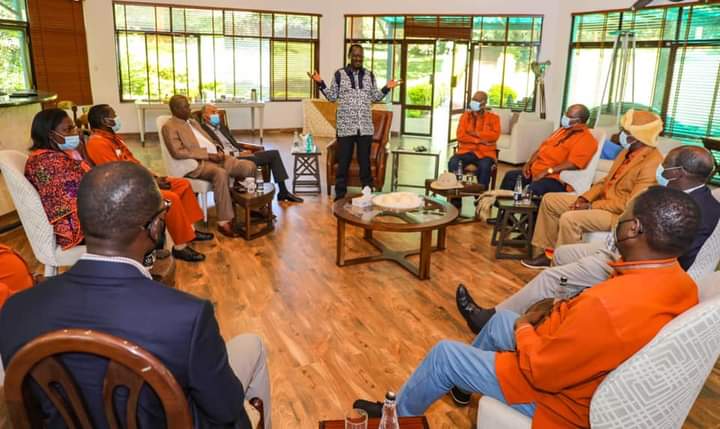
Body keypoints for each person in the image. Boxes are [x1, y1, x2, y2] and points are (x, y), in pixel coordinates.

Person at [355, 186, 700, 428]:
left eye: (621, 218)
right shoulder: (682, 283)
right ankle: (461, 387)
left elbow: (544, 372)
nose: (616, 224)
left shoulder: (606, 305)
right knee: (500, 319)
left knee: (446, 353)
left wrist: (526, 328)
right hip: (580, 368)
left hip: (562, 401)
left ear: (633, 229)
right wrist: (557, 313)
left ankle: (395, 419)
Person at [0, 162, 271, 428]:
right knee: (252, 346)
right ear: (155, 227)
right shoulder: (188, 317)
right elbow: (223, 409)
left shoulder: (16, 309)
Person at [457, 145, 720, 334]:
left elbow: (679, 259)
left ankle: (490, 319)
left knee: (549, 278)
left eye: (666, 167)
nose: (661, 170)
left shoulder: (697, 211)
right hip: (620, 247)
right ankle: (553, 315)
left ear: (679, 173)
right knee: (561, 255)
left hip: (633, 264)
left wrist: (621, 249)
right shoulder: (679, 192)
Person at [522, 109, 663, 269]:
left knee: (571, 218)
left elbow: (630, 205)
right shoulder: (627, 152)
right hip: (602, 201)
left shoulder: (652, 163)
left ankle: (563, 266)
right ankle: (546, 254)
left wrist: (590, 206)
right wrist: (585, 198)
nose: (620, 134)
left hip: (618, 214)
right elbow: (605, 181)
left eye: (625, 131)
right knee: (550, 200)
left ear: (637, 136)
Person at [85, 104, 212, 262]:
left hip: (138, 180)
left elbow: (134, 162)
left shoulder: (113, 138)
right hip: (124, 191)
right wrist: (151, 183)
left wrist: (154, 176)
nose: (117, 118)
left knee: (182, 184)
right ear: (105, 121)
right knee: (170, 198)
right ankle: (180, 247)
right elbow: (118, 175)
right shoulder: (97, 143)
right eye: (114, 115)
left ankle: (190, 230)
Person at [308, 44, 401, 200]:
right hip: (345, 126)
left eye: (361, 56)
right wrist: (319, 82)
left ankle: (367, 191)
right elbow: (331, 97)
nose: (358, 58)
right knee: (343, 160)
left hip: (364, 126)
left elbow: (375, 97)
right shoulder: (339, 74)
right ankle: (340, 194)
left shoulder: (369, 75)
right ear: (350, 56)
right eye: (355, 55)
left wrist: (387, 87)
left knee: (364, 161)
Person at [161, 95, 256, 238]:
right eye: (186, 106)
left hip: (217, 157)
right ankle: (224, 222)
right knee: (220, 174)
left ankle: (251, 207)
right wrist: (208, 155)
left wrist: (217, 149)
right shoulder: (169, 127)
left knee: (249, 166)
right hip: (198, 163)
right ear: (175, 109)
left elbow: (210, 139)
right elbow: (178, 152)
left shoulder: (193, 122)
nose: (190, 109)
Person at [198, 104, 303, 203]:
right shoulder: (203, 131)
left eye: (217, 111)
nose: (217, 114)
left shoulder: (222, 127)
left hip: (241, 153)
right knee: (256, 161)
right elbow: (215, 151)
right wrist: (238, 155)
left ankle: (283, 192)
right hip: (232, 160)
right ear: (205, 116)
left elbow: (234, 143)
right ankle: (255, 199)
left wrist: (242, 151)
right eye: (213, 112)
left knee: (274, 154)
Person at [24, 108, 91, 249]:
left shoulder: (58, 155)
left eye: (73, 127)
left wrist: (82, 151)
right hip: (77, 228)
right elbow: (86, 187)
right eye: (68, 129)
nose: (75, 133)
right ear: (51, 135)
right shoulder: (47, 163)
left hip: (86, 216)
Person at [500, 104, 597, 197]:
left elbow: (572, 164)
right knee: (511, 176)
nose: (564, 117)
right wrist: (528, 164)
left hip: (555, 179)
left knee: (534, 189)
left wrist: (547, 171)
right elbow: (540, 149)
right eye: (565, 113)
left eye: (569, 116)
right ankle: (503, 212)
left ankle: (529, 214)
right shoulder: (561, 131)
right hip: (536, 171)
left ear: (578, 120)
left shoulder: (587, 139)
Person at [447, 91, 500, 188]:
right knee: (453, 162)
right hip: (465, 152)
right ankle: (455, 197)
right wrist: (479, 140)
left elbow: (494, 136)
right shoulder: (465, 117)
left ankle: (480, 198)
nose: (473, 102)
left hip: (485, 154)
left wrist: (476, 133)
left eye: (476, 100)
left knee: (485, 167)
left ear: (483, 104)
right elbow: (460, 136)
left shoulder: (494, 118)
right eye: (473, 99)